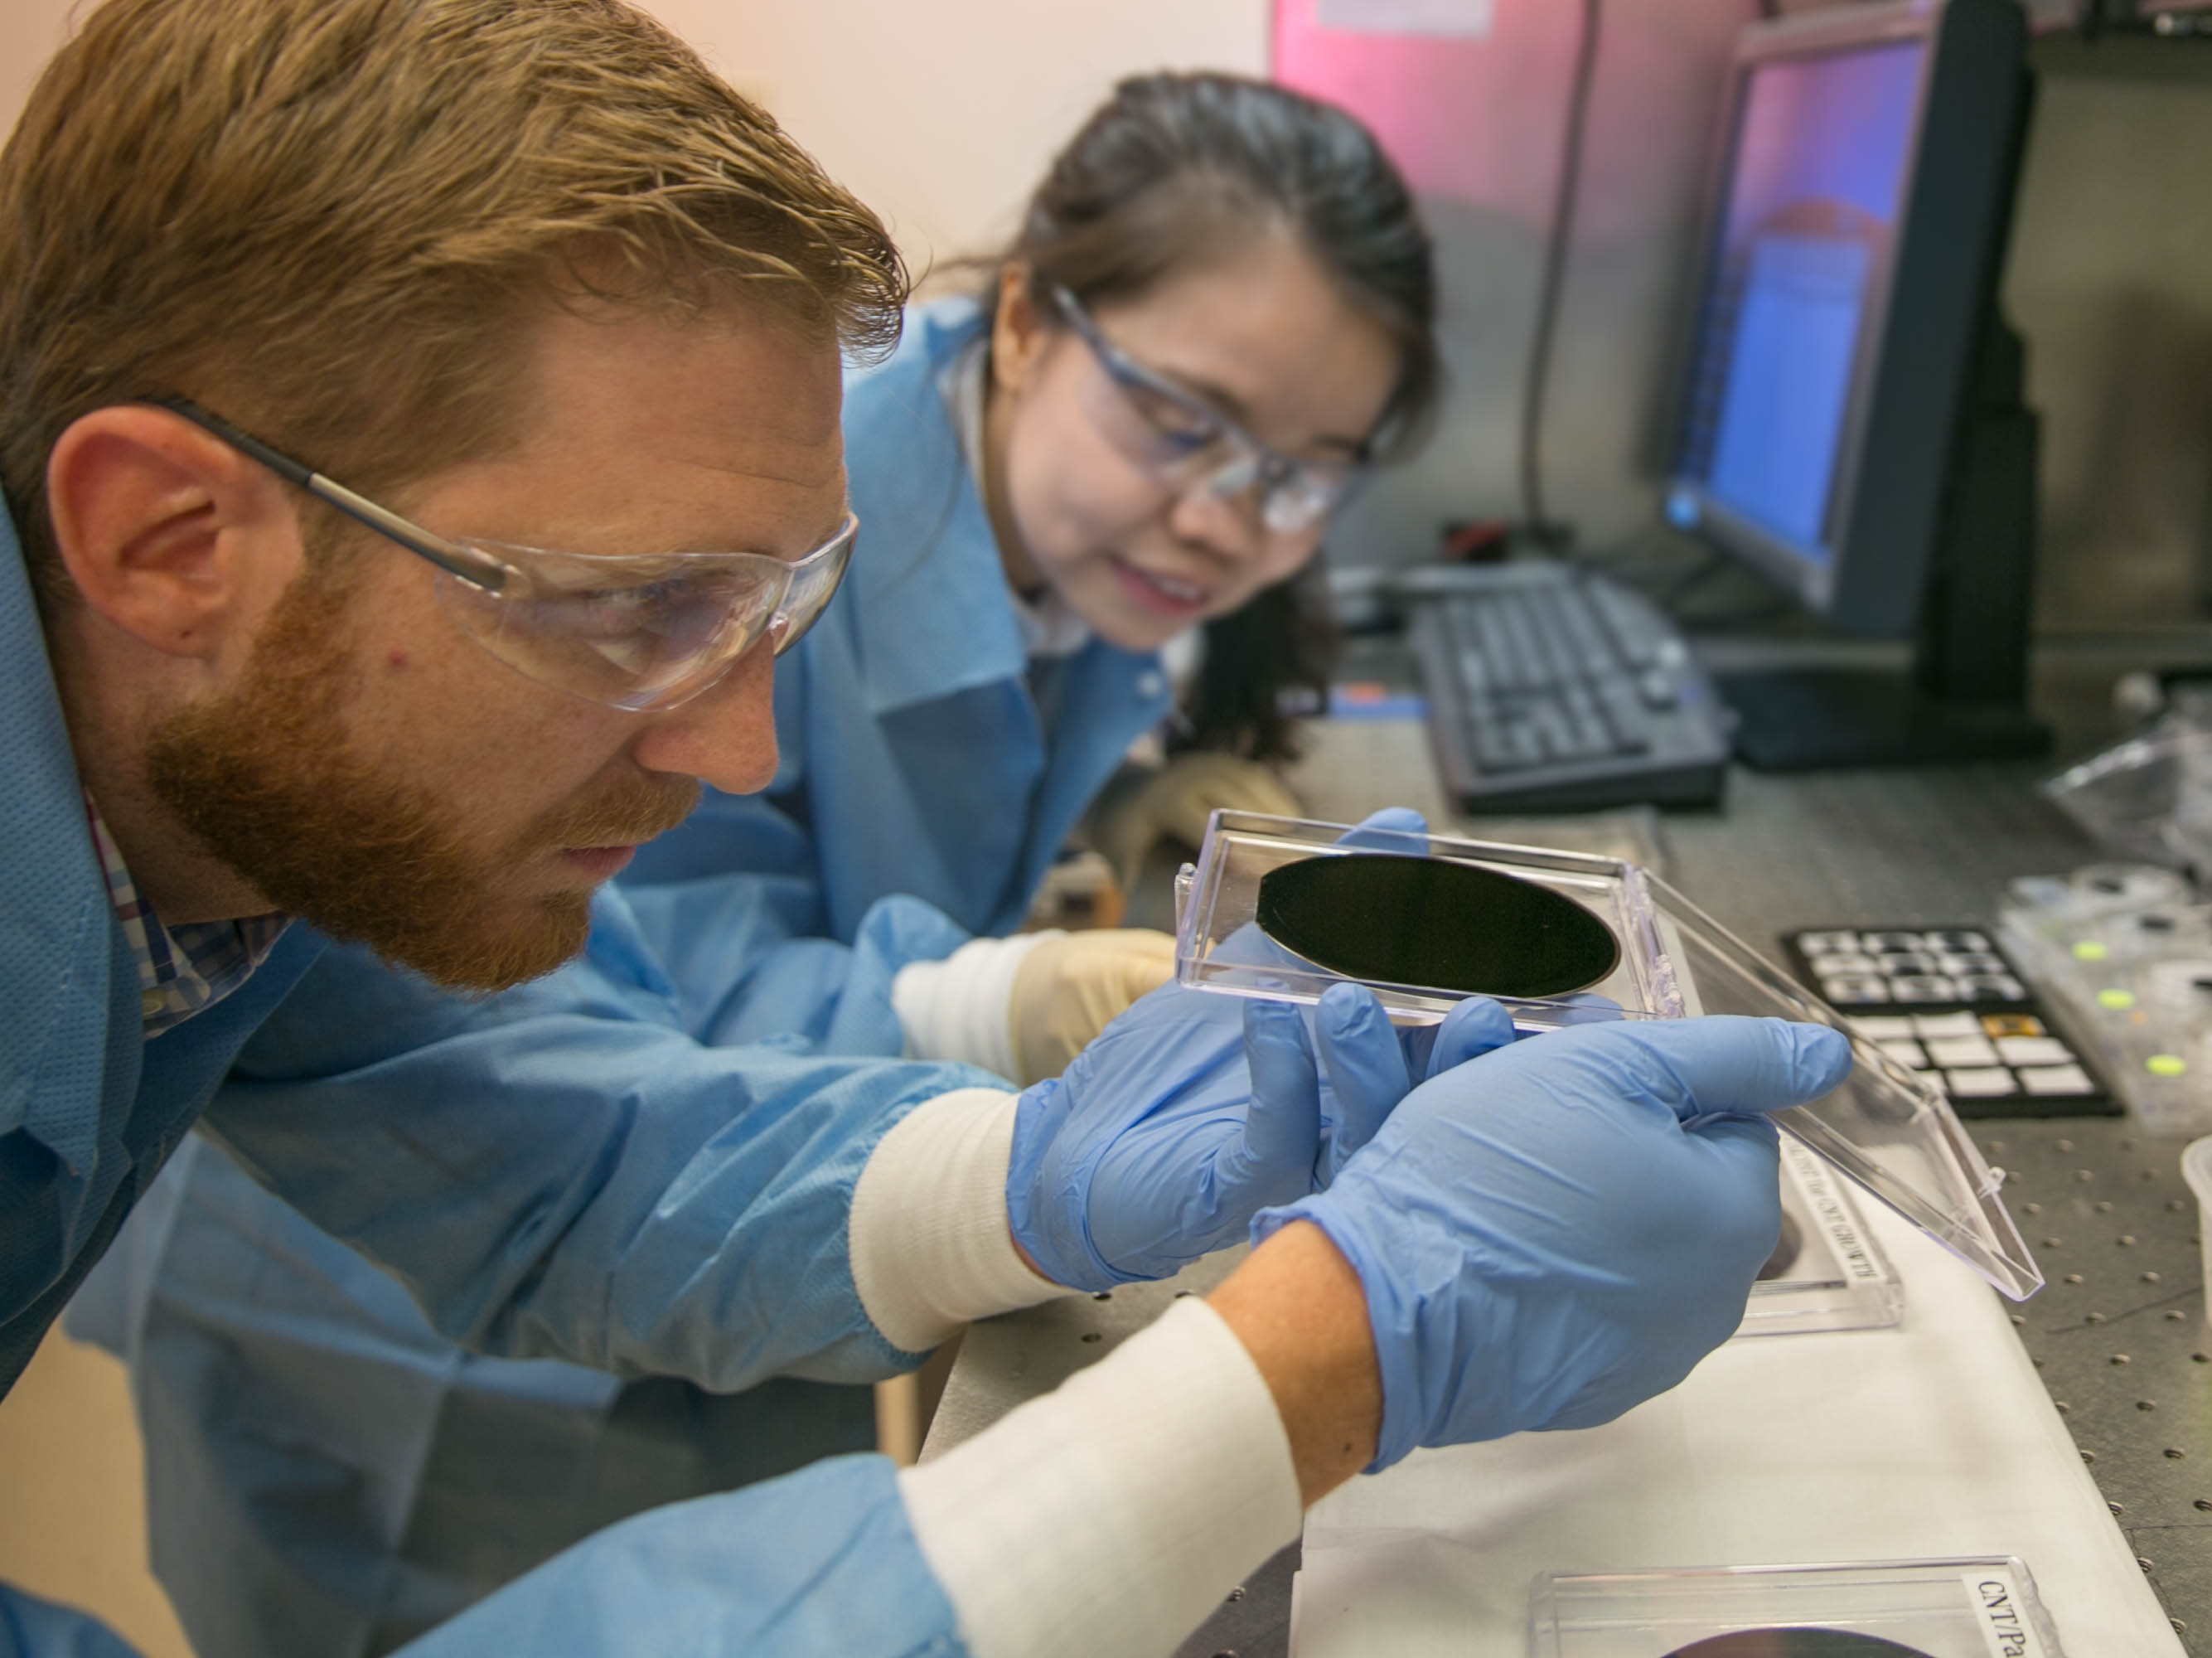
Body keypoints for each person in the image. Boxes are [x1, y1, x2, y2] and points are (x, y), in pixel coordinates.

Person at [0, 3, 1853, 1657]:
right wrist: (1328, 1357)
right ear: (170, 542)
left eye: (773, 611)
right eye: (629, 611)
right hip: (389, 1429)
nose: (740, 749)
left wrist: (1033, 1168)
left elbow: (568, 1144)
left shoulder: (274, 800)